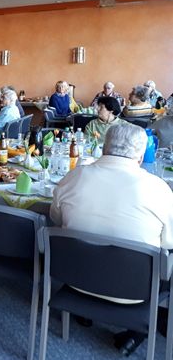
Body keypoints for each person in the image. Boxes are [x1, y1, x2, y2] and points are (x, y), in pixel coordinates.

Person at [51, 123, 173, 356]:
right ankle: (142, 328)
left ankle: (87, 312)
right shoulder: (158, 189)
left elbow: (55, 218)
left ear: (104, 146)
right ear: (140, 155)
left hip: (74, 278)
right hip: (135, 290)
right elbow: (169, 242)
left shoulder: (74, 176)